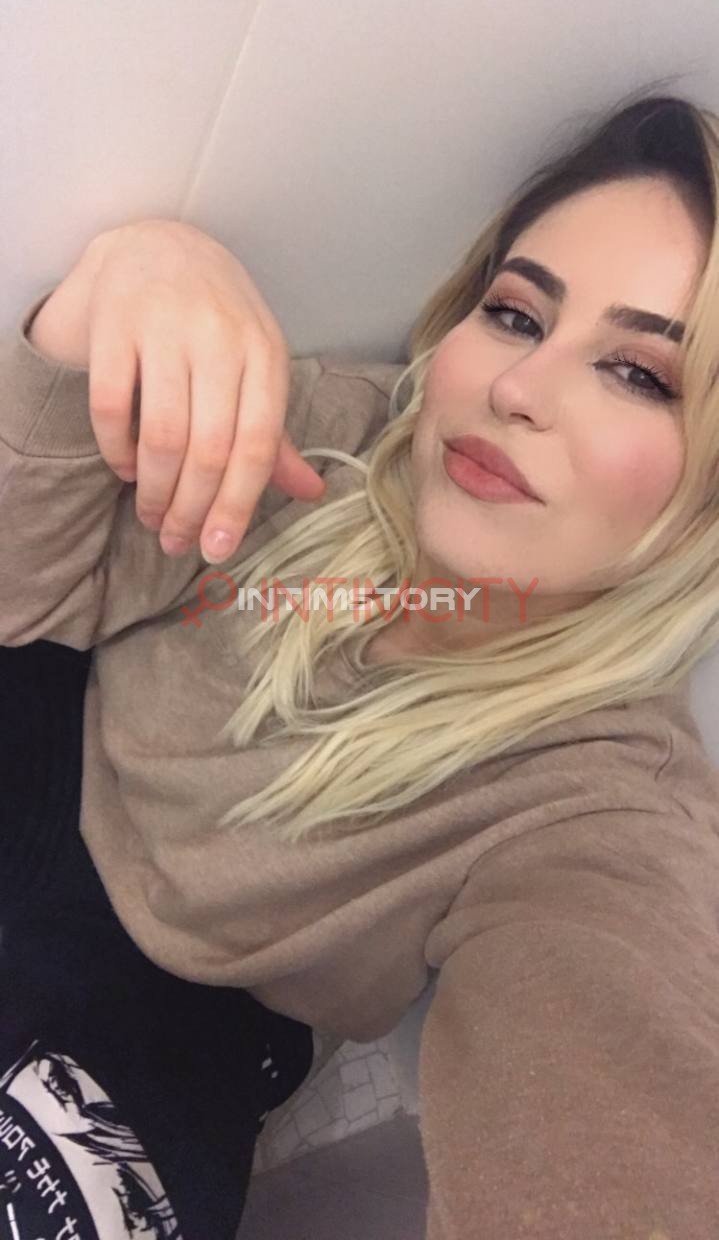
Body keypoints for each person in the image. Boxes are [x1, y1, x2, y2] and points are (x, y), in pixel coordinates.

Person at [3, 84, 719, 1238]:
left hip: (187, 1017)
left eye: (638, 373)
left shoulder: (605, 804)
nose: (515, 389)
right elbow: (21, 591)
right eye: (514, 313)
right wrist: (122, 286)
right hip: (44, 749)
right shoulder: (325, 440)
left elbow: (611, 1040)